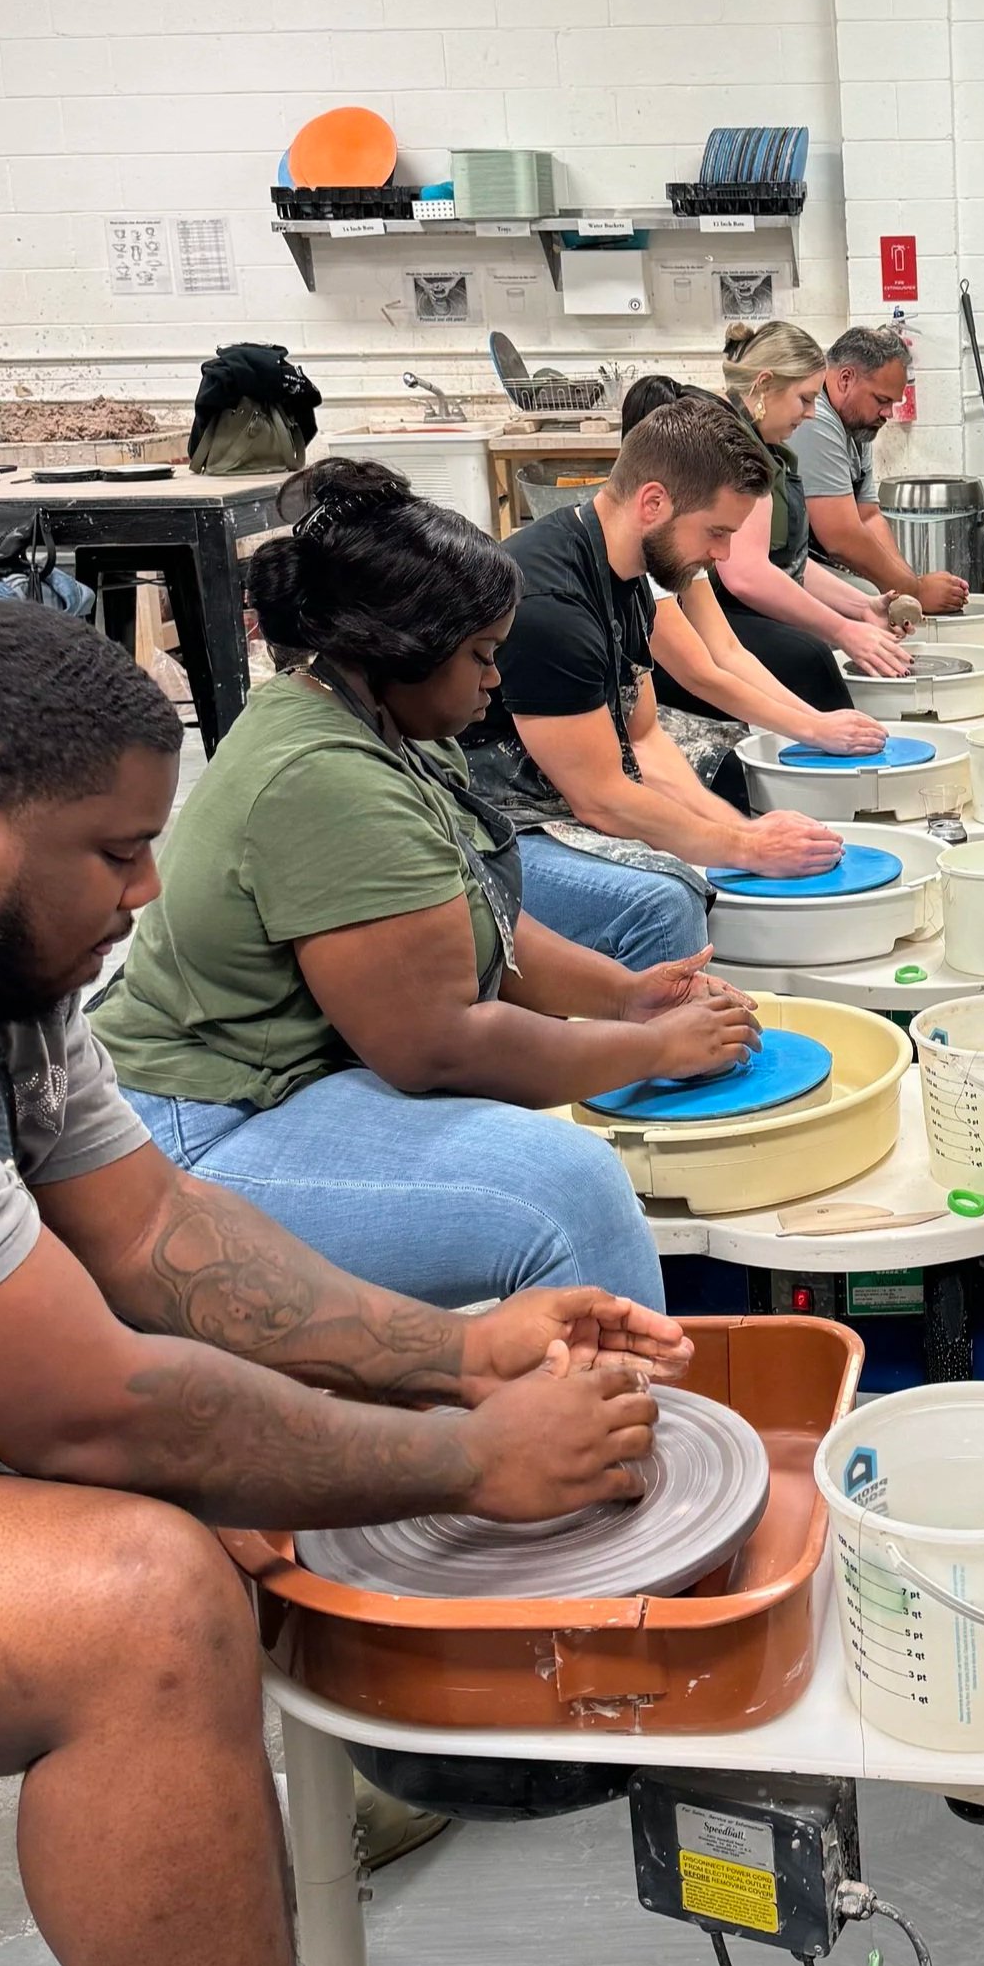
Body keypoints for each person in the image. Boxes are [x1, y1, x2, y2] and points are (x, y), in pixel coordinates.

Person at [0, 600, 669, 1966]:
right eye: (119, 852)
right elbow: (93, 1403)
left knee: (238, 1489)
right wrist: (478, 1460)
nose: (152, 894)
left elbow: (155, 1229)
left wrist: (462, 1355)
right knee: (138, 1595)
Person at [94, 460, 760, 1310]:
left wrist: (625, 1000)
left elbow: (480, 921)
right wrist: (657, 1048)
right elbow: (437, 1047)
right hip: (204, 1119)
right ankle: (632, 1438)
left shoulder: (386, 723)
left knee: (557, 1120)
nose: (495, 680)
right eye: (482, 656)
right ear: (400, 653)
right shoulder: (327, 778)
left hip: (296, 1075)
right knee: (567, 1191)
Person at [464, 396, 844, 903]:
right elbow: (601, 799)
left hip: (564, 790)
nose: (723, 553)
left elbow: (643, 740)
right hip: (487, 822)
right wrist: (744, 848)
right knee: (666, 900)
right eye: (716, 531)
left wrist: (744, 832)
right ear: (653, 503)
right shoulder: (549, 607)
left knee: (722, 817)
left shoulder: (632, 580)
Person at [603, 373, 886, 768]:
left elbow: (727, 651)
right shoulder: (643, 544)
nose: (723, 551)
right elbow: (701, 673)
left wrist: (815, 720)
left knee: (805, 668)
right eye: (718, 532)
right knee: (728, 766)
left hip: (640, 698)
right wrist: (811, 729)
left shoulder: (676, 537)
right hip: (593, 721)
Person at [715, 320, 918, 682]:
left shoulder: (768, 450)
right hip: (702, 611)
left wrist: (863, 609)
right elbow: (746, 576)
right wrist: (842, 630)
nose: (811, 414)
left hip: (732, 605)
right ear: (764, 386)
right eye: (806, 399)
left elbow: (789, 565)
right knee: (812, 658)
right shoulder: (731, 447)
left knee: (820, 654)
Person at [798, 325, 970, 615]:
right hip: (783, 565)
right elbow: (841, 537)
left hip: (813, 563)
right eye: (882, 400)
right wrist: (913, 591)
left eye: (893, 402)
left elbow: (868, 517)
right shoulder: (815, 420)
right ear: (845, 379)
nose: (889, 414)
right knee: (868, 601)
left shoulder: (856, 425)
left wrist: (910, 587)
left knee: (883, 598)